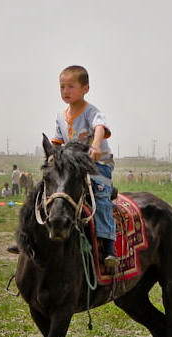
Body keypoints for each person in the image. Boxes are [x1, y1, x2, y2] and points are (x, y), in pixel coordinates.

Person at [52, 65, 117, 267]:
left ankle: (109, 247)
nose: (65, 91)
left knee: (100, 197)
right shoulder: (61, 115)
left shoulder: (90, 112)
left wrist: (96, 146)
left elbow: (99, 128)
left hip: (97, 166)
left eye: (71, 86)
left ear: (85, 89)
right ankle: (33, 239)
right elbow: (57, 141)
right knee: (46, 192)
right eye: (62, 87)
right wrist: (52, 157)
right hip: (72, 169)